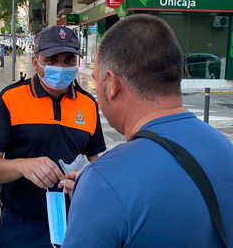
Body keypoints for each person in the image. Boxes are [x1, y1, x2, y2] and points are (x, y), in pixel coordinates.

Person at [59, 14, 233, 247]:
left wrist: (99, 190)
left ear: (112, 84)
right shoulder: (225, 150)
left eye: (96, 80)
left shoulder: (102, 183)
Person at [0, 25, 107, 247]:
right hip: (21, 225)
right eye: (51, 59)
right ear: (35, 61)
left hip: (75, 219)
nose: (61, 66)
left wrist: (89, 178)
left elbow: (94, 158)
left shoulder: (88, 103)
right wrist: (23, 166)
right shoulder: (11, 98)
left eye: (68, 60)